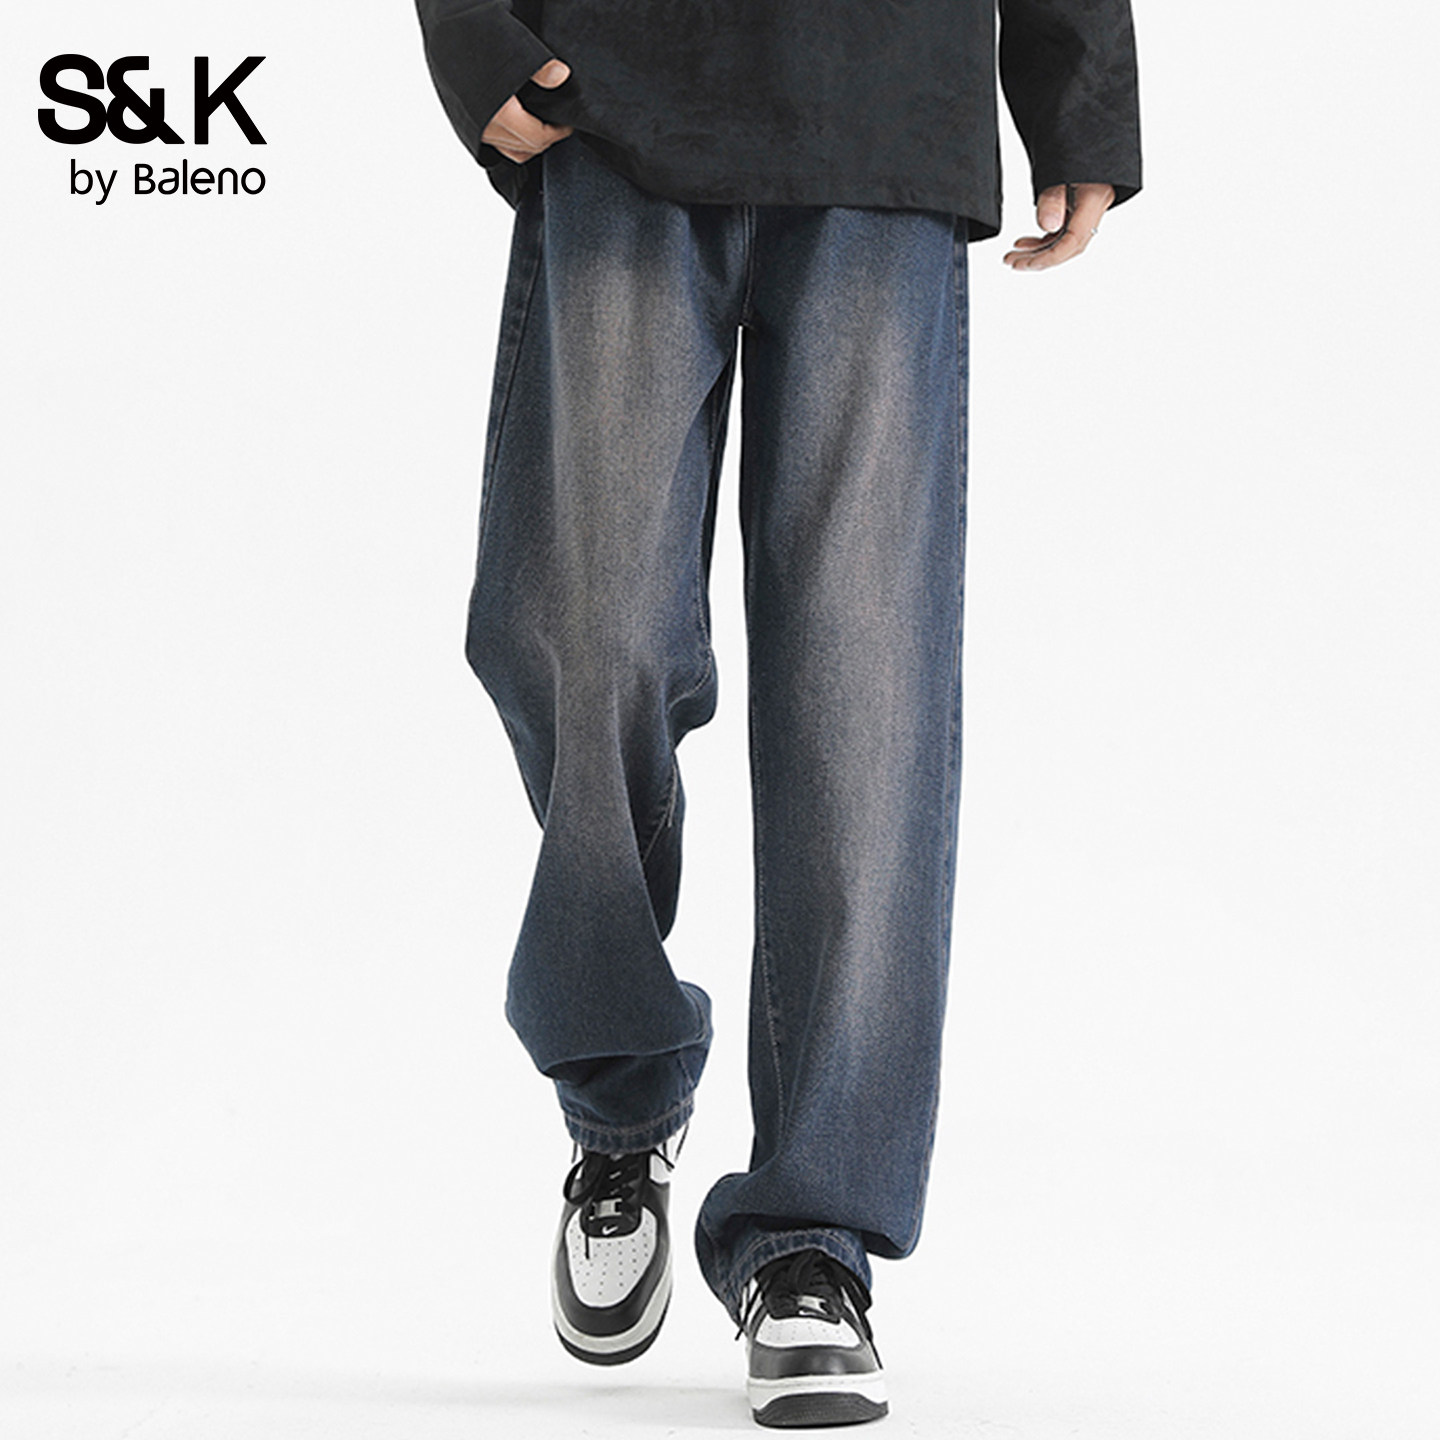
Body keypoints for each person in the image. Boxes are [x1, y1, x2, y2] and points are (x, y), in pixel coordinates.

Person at [414, 1, 1141, 1426]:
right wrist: (469, 33)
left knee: (863, 702)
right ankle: (622, 1091)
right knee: (582, 638)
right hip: (613, 88)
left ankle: (814, 1236)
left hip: (887, 102)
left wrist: (1079, 91)